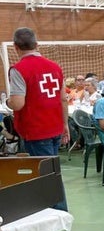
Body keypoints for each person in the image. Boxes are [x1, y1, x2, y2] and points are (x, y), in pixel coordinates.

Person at [7, 27, 69, 211]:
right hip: (55, 127)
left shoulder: (18, 70)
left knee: (47, 175)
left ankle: (58, 212)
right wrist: (65, 124)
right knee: (52, 171)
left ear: (15, 47)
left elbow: (17, 104)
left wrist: (8, 102)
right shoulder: (55, 67)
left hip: (36, 130)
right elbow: (63, 98)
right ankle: (55, 209)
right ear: (37, 44)